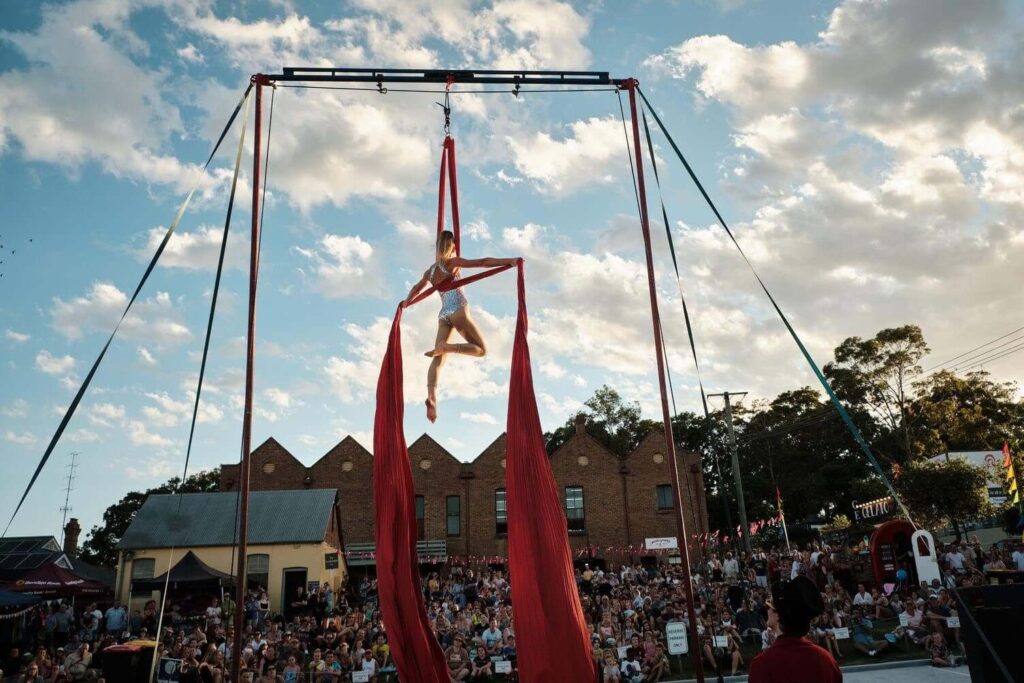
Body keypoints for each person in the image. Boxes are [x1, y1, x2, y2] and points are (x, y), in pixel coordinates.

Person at [402, 229, 520, 422]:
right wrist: (510, 260)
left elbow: (416, 288)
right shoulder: (453, 263)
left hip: (443, 314)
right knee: (481, 350)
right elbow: (482, 262)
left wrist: (407, 302)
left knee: (438, 360)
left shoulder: (430, 271)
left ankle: (432, 397)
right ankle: (447, 347)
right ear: (453, 246)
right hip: (458, 309)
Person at [748, 575, 842, 683]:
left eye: (770, 605)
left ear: (779, 615)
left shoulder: (762, 664)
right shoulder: (826, 659)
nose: (767, 609)